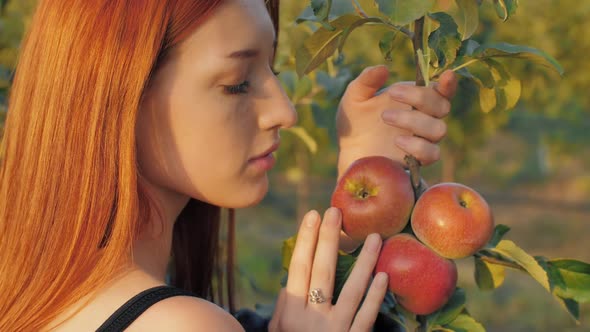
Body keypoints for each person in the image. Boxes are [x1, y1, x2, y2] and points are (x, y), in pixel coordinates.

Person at [0, 0, 457, 331]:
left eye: (272, 70)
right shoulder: (183, 325)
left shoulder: (40, 290)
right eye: (238, 83)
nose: (284, 110)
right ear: (121, 96)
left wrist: (368, 187)